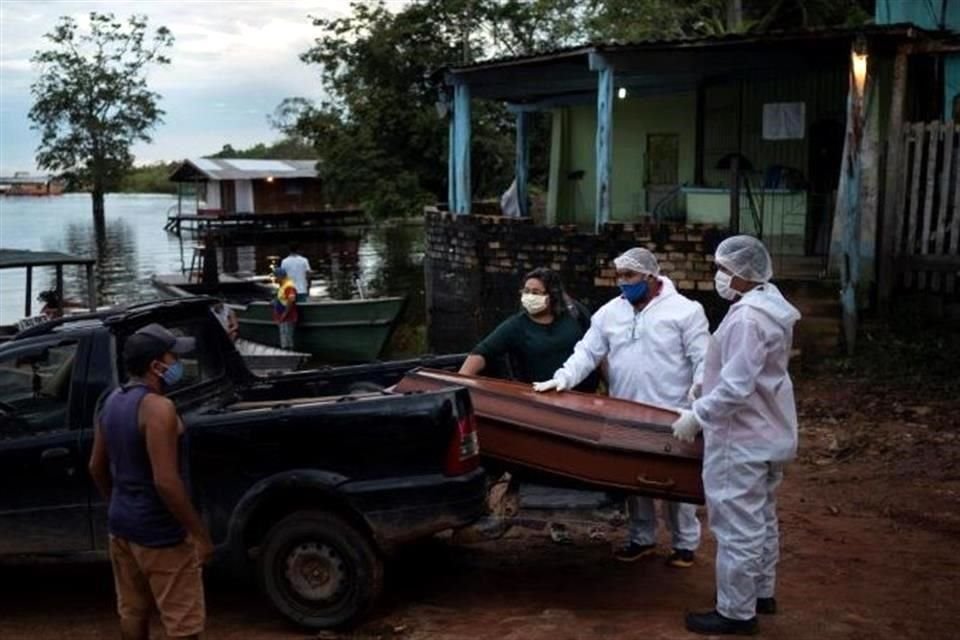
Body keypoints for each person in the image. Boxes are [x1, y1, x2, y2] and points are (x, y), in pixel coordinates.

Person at [533, 247, 708, 568]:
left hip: (673, 411)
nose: (623, 283)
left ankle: (684, 543)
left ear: (651, 277)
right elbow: (587, 352)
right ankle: (642, 538)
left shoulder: (686, 311)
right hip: (626, 410)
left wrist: (697, 408)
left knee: (675, 482)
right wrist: (562, 378)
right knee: (634, 478)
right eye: (620, 276)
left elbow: (703, 361)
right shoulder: (609, 313)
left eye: (630, 276)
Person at [672, 235, 801, 636]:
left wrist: (698, 415)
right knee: (761, 518)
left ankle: (735, 613)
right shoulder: (769, 305)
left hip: (740, 437)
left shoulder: (747, 318)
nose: (719, 276)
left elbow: (737, 386)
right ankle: (761, 593)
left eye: (724, 269)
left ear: (744, 274)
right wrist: (704, 388)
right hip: (769, 430)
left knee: (736, 527)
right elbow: (746, 373)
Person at [88, 323, 213, 640]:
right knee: (183, 622)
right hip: (161, 534)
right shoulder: (159, 409)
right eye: (173, 357)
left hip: (122, 528)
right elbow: (166, 482)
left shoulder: (111, 401)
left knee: (132, 610)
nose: (177, 363)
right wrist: (199, 534)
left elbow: (95, 466)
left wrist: (117, 502)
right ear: (156, 365)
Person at [459, 267, 598, 392]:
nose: (530, 296)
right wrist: (458, 386)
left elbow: (597, 348)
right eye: (526, 291)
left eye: (536, 292)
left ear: (552, 295)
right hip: (541, 398)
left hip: (584, 398)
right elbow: (481, 353)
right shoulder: (516, 326)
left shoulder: (575, 314)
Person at [272, 267, 299, 349]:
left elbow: (291, 300)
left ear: (280, 276)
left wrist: (284, 314)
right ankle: (287, 352)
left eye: (275, 276)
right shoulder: (283, 285)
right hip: (283, 317)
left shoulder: (288, 286)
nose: (274, 278)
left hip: (287, 317)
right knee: (284, 336)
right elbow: (282, 298)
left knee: (287, 338)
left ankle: (289, 354)